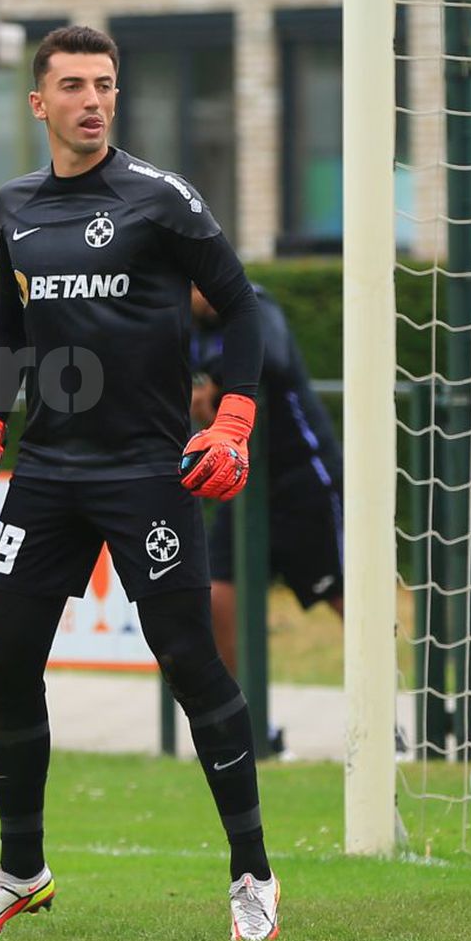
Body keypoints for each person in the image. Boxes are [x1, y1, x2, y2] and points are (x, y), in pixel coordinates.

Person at [0, 25, 280, 941]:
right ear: (38, 102)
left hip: (148, 471)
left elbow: (242, 304)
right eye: (73, 85)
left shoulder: (160, 197)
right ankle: (21, 872)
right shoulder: (15, 204)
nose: (92, 99)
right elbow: (9, 327)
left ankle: (253, 874)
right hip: (50, 473)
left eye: (104, 84)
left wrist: (233, 422)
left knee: (190, 661)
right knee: (9, 660)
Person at [190, 285, 343, 677]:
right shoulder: (188, 328)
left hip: (304, 481)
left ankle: (384, 698)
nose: (195, 293)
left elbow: (269, 356)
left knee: (345, 598)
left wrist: (216, 384)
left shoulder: (254, 302)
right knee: (215, 594)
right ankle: (243, 710)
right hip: (243, 484)